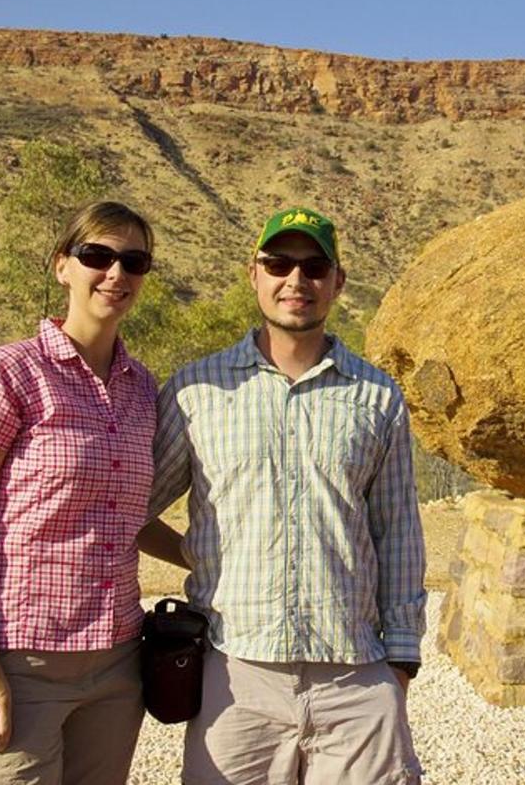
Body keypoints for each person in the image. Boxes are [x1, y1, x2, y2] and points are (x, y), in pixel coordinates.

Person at [138, 207, 427, 784]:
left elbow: (397, 533)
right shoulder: (198, 390)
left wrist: (398, 666)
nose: (296, 280)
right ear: (255, 274)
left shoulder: (377, 396)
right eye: (279, 263)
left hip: (355, 673)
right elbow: (131, 506)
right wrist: (198, 552)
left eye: (314, 266)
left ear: (337, 282)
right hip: (235, 671)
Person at [0, 201, 158, 784]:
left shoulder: (144, 390)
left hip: (117, 664)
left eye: (133, 261)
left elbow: (129, 512)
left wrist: (203, 554)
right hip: (19, 660)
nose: (115, 274)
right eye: (97, 256)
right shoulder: (9, 372)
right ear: (62, 265)